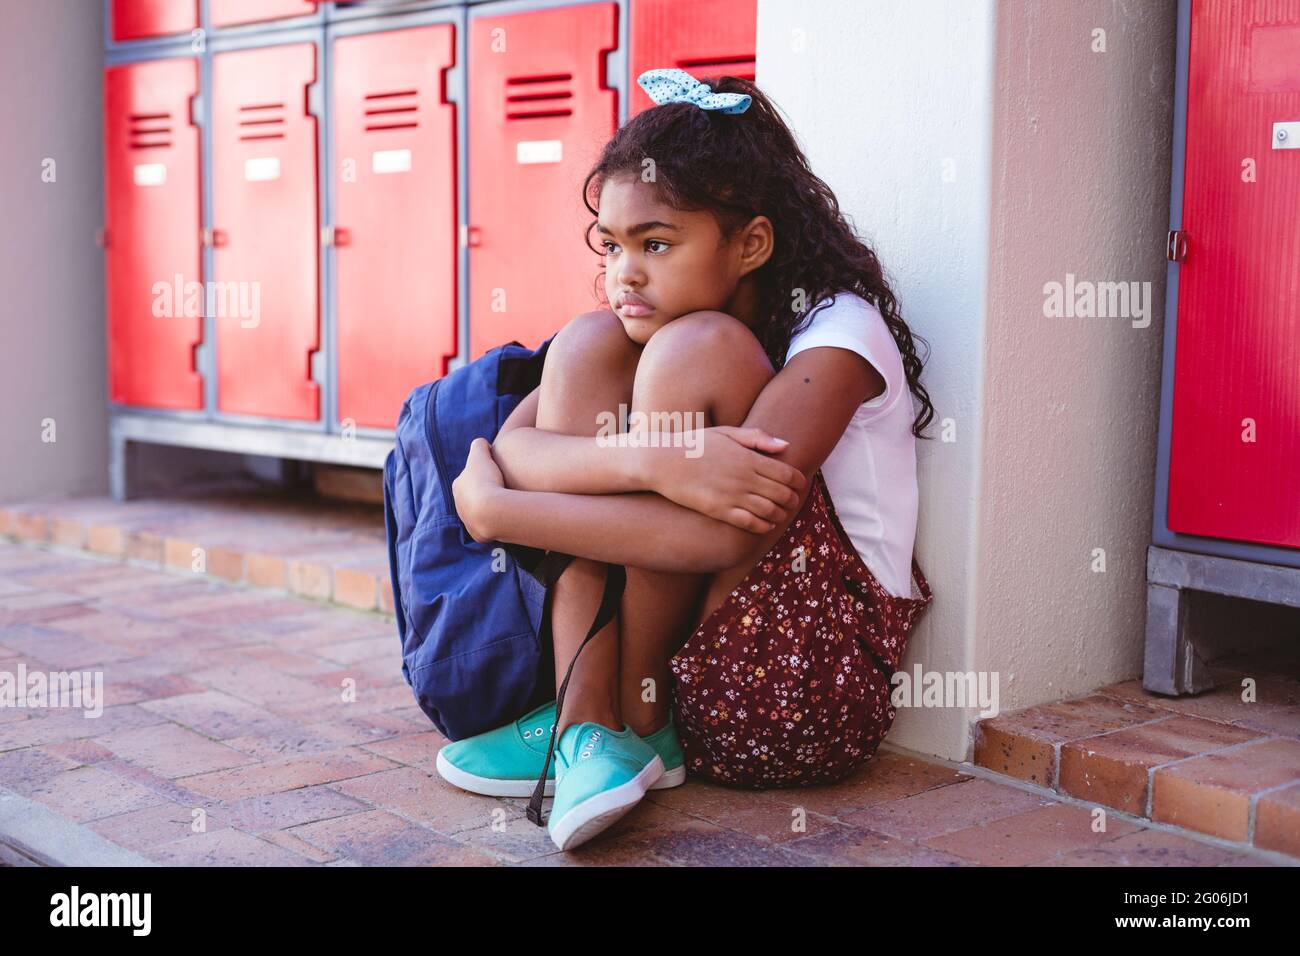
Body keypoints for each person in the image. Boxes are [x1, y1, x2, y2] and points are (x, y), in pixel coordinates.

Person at [440, 68, 936, 851]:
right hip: (697, 659)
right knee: (588, 339)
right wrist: (657, 461)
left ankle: (630, 720)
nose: (624, 272)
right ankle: (587, 724)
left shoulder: (839, 336)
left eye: (656, 244)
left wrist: (494, 509)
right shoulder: (643, 319)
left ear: (751, 244)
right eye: (612, 245)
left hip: (795, 685)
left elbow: (729, 536)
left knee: (690, 349)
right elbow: (518, 447)